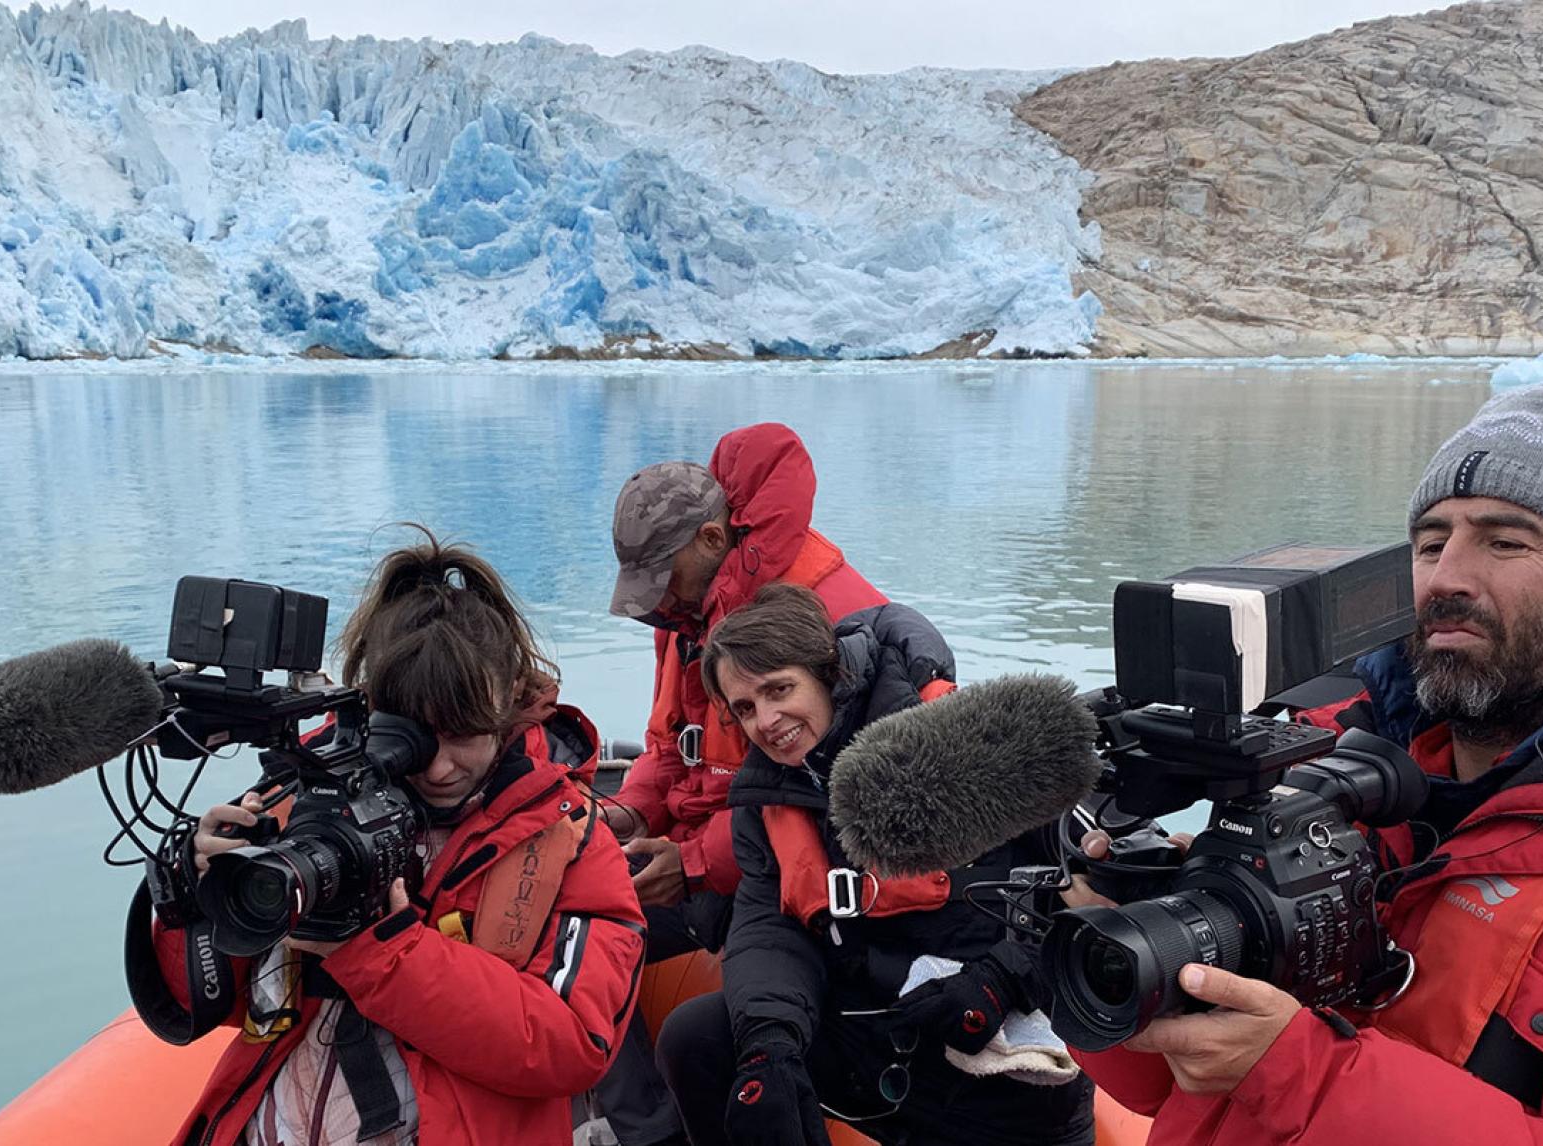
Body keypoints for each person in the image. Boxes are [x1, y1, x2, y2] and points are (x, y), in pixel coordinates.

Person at [1074, 382, 1543, 1143]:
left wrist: (1299, 1073)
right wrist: (1140, 937)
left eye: (1505, 542)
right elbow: (1162, 1089)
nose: (1445, 579)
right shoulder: (1318, 755)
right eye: (1432, 543)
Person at [134, 529, 647, 1146]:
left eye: (462, 734)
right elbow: (218, 1005)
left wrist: (383, 953)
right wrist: (192, 898)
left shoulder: (568, 836)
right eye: (412, 734)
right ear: (371, 705)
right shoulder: (305, 794)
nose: (437, 767)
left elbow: (571, 1044)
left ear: (511, 703)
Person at [653, 583, 1097, 1146]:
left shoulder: (969, 737)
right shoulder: (763, 798)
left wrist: (1005, 977)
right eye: (744, 708)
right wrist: (771, 1046)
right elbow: (768, 928)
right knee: (696, 1039)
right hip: (870, 1035)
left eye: (778, 689)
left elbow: (1099, 885)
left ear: (830, 673)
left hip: (984, 1032)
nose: (766, 721)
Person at [595, 424, 887, 1146]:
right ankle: (647, 1132)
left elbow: (824, 801)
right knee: (574, 929)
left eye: (664, 580)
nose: (658, 602)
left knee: (700, 1031)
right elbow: (669, 744)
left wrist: (692, 864)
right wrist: (631, 813)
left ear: (710, 539)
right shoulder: (689, 617)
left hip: (780, 883)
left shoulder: (828, 614)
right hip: (705, 861)